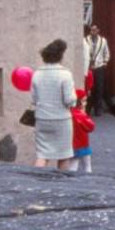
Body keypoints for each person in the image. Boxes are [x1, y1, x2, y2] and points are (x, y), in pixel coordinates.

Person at [30, 39, 76, 170]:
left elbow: (33, 99)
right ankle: (61, 186)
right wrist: (75, 98)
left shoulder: (37, 74)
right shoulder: (65, 74)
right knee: (63, 155)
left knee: (42, 155)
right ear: (60, 56)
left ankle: (37, 181)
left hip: (42, 118)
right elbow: (69, 100)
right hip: (61, 119)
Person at [84, 23, 110, 117]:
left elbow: (106, 52)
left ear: (98, 30)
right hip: (88, 67)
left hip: (99, 67)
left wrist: (105, 61)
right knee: (89, 88)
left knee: (99, 88)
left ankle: (98, 109)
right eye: (91, 30)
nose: (93, 32)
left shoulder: (103, 41)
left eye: (95, 30)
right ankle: (87, 108)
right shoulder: (85, 40)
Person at [70, 90, 95, 173]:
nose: (86, 103)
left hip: (72, 144)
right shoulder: (80, 115)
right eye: (84, 101)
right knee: (87, 165)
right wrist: (84, 114)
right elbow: (91, 127)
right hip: (83, 144)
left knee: (73, 163)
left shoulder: (69, 113)